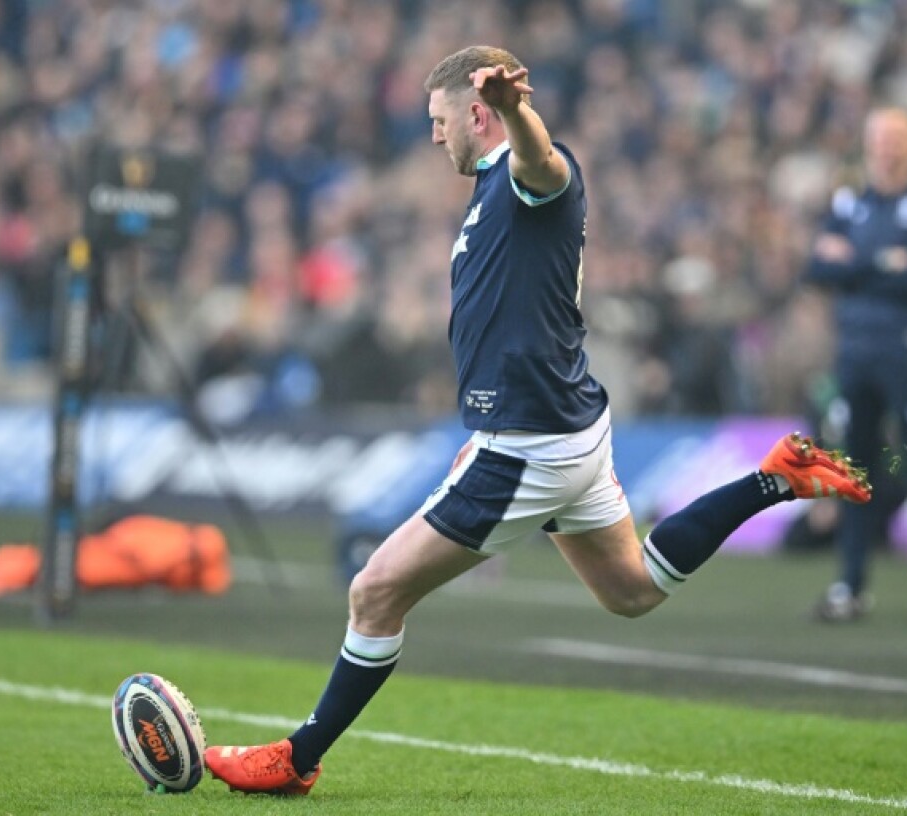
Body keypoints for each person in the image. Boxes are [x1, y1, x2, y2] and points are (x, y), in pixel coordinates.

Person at [203, 46, 871, 796]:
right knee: (633, 590)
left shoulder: (531, 175)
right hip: (563, 428)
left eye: (440, 119)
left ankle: (298, 758)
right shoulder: (491, 190)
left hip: (533, 445)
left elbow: (544, 162)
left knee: (375, 591)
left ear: (477, 113)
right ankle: (772, 480)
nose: (433, 136)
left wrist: (518, 111)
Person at [804, 108, 907, 623]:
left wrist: (854, 263)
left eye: (897, 138)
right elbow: (817, 266)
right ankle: (850, 583)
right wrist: (882, 262)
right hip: (857, 352)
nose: (887, 148)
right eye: (880, 139)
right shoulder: (850, 202)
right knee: (854, 467)